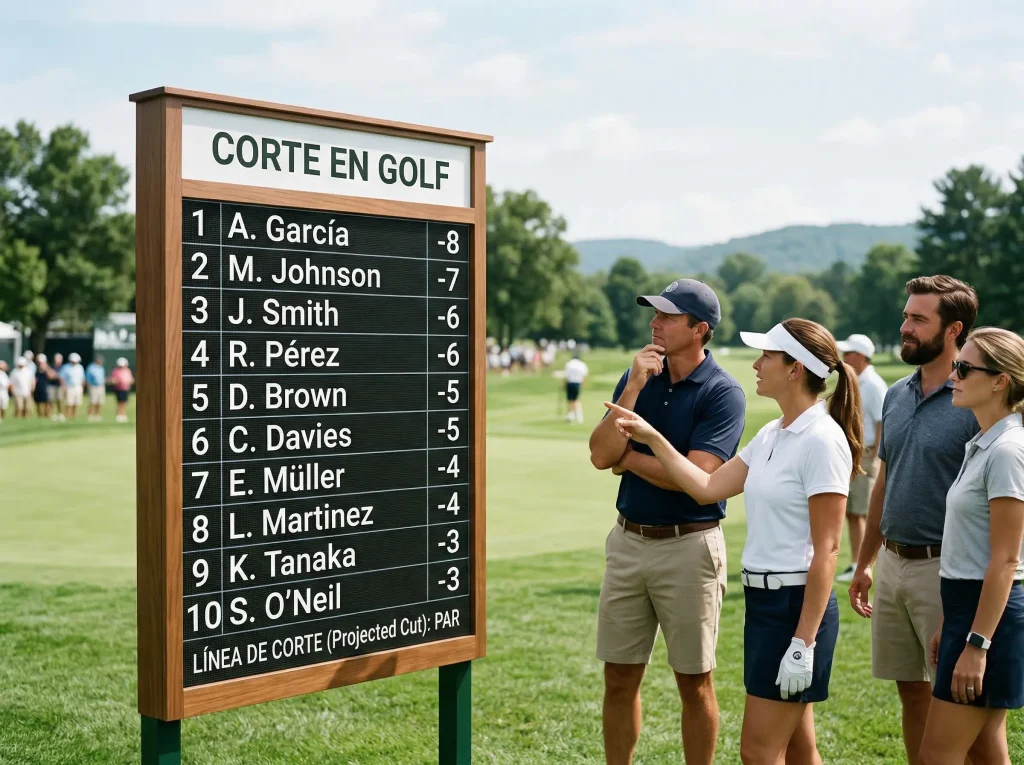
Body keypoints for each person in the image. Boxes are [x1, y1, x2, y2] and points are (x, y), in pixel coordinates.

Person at [608, 318, 861, 765]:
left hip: (795, 608)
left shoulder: (822, 440)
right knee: (800, 748)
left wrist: (803, 642)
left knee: (758, 752)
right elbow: (707, 487)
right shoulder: (773, 433)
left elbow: (828, 550)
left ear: (794, 369)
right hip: (765, 605)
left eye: (767, 356)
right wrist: (651, 440)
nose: (756, 364)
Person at [589, 278, 746, 765]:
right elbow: (599, 454)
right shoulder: (639, 375)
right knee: (618, 676)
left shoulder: (723, 393)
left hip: (689, 547)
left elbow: (696, 476)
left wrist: (631, 460)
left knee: (694, 683)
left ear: (699, 329)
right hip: (629, 541)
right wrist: (634, 385)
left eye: (666, 316)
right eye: (653, 313)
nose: (654, 322)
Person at [848, 276, 985, 765]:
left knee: (960, 704)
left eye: (918, 320)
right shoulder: (898, 394)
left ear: (954, 331)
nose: (904, 327)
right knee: (912, 693)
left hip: (947, 568)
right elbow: (887, 480)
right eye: (906, 316)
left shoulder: (976, 400)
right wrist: (864, 562)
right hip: (893, 563)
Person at [914, 328, 1024, 764]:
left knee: (936, 758)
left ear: (1000, 380)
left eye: (963, 368)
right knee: (985, 752)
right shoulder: (983, 444)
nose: (952, 377)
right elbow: (973, 550)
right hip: (968, 609)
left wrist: (976, 644)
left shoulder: (1007, 451)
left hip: (990, 620)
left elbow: (1007, 559)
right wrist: (951, 619)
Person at [835, 334, 889, 582]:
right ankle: (857, 561)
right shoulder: (857, 381)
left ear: (860, 356)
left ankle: (861, 563)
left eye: (848, 354)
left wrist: (877, 456)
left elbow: (882, 423)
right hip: (855, 453)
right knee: (852, 512)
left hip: (868, 455)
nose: (844, 358)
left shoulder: (874, 384)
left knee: (860, 512)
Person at [563, 353, 589, 423]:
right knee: (576, 399)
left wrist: (564, 385)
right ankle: (576, 416)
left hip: (570, 383)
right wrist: (583, 384)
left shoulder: (569, 364)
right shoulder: (582, 364)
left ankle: (571, 415)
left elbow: (566, 376)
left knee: (570, 400)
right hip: (577, 383)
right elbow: (584, 375)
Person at [61, 352, 86, 420]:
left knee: (76, 402)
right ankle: (67, 415)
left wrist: (82, 387)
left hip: (78, 387)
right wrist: (64, 387)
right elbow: (62, 378)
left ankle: (73, 416)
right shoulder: (66, 367)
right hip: (69, 386)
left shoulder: (80, 367)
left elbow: (82, 378)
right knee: (69, 402)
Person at [111, 357, 134, 423]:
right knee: (120, 402)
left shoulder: (128, 370)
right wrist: (118, 381)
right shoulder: (116, 371)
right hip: (119, 389)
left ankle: (123, 414)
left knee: (125, 402)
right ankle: (119, 415)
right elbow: (113, 380)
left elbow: (131, 379)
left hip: (126, 388)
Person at [86, 354, 106, 422]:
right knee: (92, 401)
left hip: (100, 386)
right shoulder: (91, 367)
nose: (101, 361)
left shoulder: (101, 368)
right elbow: (88, 377)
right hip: (93, 386)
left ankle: (97, 415)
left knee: (99, 402)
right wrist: (88, 386)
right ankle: (90, 415)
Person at [33, 354, 51, 418]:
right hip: (37, 388)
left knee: (47, 402)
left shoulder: (47, 369)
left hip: (45, 388)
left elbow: (52, 376)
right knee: (38, 402)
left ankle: (47, 415)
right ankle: (40, 415)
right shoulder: (35, 369)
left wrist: (46, 368)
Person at [49, 352, 64, 421]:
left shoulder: (63, 367)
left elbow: (62, 377)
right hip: (52, 386)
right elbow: (50, 376)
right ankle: (52, 414)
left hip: (60, 386)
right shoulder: (51, 366)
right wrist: (57, 376)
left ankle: (60, 414)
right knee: (51, 400)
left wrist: (56, 375)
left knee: (59, 400)